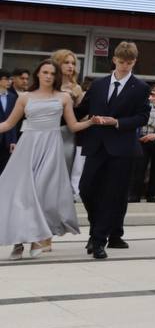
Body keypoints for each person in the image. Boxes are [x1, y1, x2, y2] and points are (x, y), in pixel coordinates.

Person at [0, 59, 93, 258]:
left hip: (52, 148)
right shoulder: (25, 97)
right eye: (45, 72)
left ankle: (35, 239)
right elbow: (8, 124)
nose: (48, 76)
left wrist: (92, 121)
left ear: (56, 76)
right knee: (22, 195)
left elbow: (73, 126)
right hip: (27, 147)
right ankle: (18, 241)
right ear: (38, 74)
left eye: (52, 73)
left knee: (41, 195)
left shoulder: (64, 98)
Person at [78, 42, 152, 259]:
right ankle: (97, 229)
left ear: (135, 62)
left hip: (122, 149)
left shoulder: (140, 87)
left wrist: (117, 122)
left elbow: (142, 117)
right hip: (96, 145)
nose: (125, 66)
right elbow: (81, 109)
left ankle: (99, 240)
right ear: (114, 60)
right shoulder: (98, 84)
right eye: (121, 62)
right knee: (86, 189)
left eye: (129, 62)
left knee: (112, 195)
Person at [50, 49, 86, 177]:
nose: (71, 66)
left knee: (65, 167)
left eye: (73, 63)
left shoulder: (76, 88)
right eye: (66, 62)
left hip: (67, 133)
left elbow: (81, 115)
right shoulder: (48, 85)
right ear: (57, 64)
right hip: (47, 130)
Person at [0, 69, 15, 176]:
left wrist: (13, 140)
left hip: (7, 139)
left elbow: (14, 120)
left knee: (5, 168)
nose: (9, 81)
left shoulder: (12, 97)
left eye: (10, 79)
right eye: (6, 79)